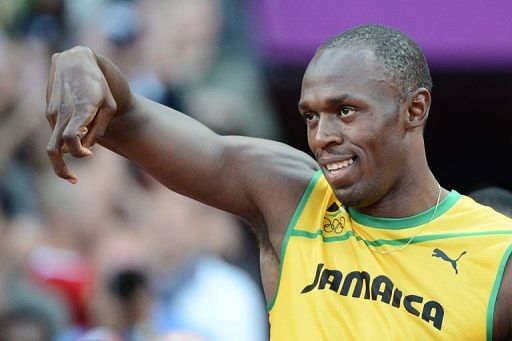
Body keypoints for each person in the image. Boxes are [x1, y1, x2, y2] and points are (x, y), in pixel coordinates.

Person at [44, 24, 512, 339]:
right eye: (311, 116)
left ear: (414, 110)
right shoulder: (290, 197)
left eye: (345, 111)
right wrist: (88, 64)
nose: (323, 137)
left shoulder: (498, 254)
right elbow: (132, 121)